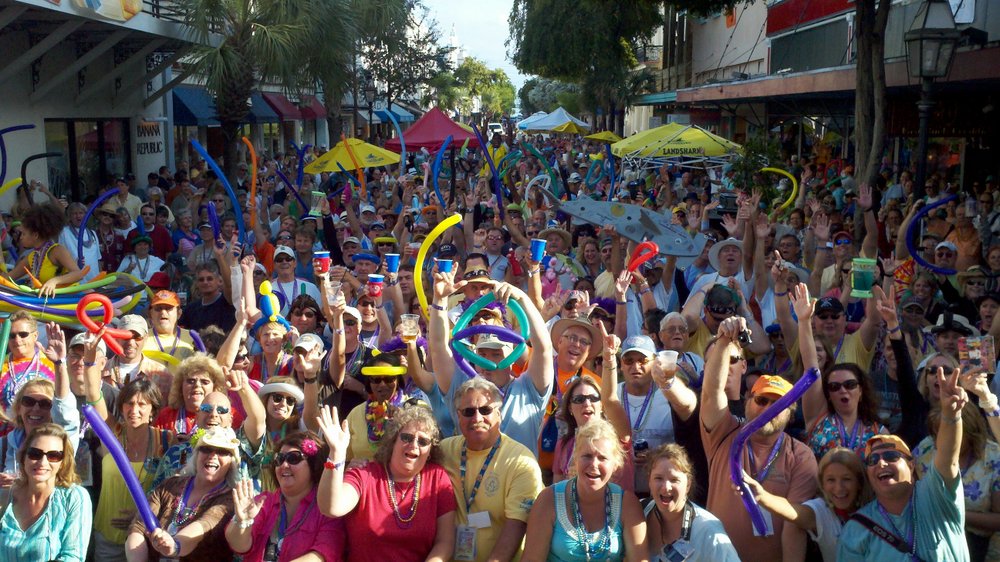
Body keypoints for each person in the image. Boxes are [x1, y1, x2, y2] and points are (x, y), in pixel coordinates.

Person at [700, 313, 818, 562]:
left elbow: (797, 522)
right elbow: (712, 393)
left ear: (790, 413)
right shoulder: (724, 433)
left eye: (778, 405)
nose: (767, 410)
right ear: (747, 402)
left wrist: (763, 497)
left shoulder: (800, 455)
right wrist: (722, 342)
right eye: (762, 401)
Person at [838, 367, 972, 561]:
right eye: (873, 460)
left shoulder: (935, 494)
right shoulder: (856, 528)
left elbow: (947, 457)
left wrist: (951, 415)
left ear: (911, 465)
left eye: (891, 456)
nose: (881, 462)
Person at [317, 404, 457, 561]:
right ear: (393, 440)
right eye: (407, 437)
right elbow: (331, 507)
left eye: (423, 441)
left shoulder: (437, 478)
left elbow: (445, 542)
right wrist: (336, 454)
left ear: (431, 450)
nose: (414, 445)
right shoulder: (365, 474)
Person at [439, 377, 544, 562]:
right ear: (458, 415)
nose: (477, 418)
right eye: (468, 411)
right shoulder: (444, 451)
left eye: (486, 410)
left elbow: (516, 525)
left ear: (499, 413)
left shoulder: (521, 461)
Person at [522, 418, 647, 561]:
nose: (594, 464)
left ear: (616, 464)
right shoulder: (548, 499)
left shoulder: (628, 504)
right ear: (575, 459)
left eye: (602, 458)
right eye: (587, 456)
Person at [793, 287, 887, 458]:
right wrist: (804, 321)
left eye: (850, 385)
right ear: (827, 393)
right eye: (835, 386)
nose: (843, 390)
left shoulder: (879, 431)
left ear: (861, 390)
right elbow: (811, 368)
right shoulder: (817, 418)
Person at [226, 431, 345, 562]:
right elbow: (239, 546)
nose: (284, 465)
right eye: (279, 459)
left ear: (314, 464)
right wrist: (242, 522)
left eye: (293, 458)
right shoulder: (263, 501)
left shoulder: (328, 508)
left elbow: (323, 555)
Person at [125, 426, 239, 561]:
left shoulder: (229, 499)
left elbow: (203, 525)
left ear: (231, 462)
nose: (213, 456)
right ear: (196, 455)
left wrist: (174, 546)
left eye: (222, 452)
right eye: (206, 449)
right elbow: (138, 528)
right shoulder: (170, 485)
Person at [743, 447, 870, 562]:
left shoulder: (874, 509)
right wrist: (762, 496)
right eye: (831, 480)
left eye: (846, 479)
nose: (839, 488)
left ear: (859, 482)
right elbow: (793, 511)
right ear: (822, 484)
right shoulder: (822, 511)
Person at [0, 322, 80, 482]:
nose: (35, 408)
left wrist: (59, 364)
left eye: (45, 404)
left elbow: (65, 409)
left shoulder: (63, 439)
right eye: (28, 401)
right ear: (19, 408)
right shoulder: (8, 442)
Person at [0, 424, 92, 561]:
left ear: (63, 462)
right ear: (23, 456)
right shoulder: (5, 497)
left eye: (53, 456)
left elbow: (73, 557)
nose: (42, 462)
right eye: (35, 454)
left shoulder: (74, 497)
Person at [644, 443, 740, 562]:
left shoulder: (708, 530)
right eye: (658, 478)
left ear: (688, 484)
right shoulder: (637, 512)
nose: (666, 487)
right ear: (649, 481)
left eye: (674, 480)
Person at [6, 202, 85, 297]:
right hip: (47, 305)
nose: (21, 238)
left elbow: (79, 274)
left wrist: (54, 281)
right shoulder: (31, 257)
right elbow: (8, 278)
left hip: (70, 302)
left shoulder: (57, 250)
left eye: (23, 234)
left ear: (35, 235)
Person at [153, 354, 228, 435]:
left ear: (215, 387)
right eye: (191, 381)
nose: (197, 385)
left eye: (204, 382)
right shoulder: (166, 416)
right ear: (180, 385)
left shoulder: (226, 414)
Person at [0, 311, 57, 412]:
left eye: (23, 334)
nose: (17, 340)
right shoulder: (1, 364)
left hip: (43, 426)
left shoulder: (52, 363)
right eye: (12, 335)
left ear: (35, 335)